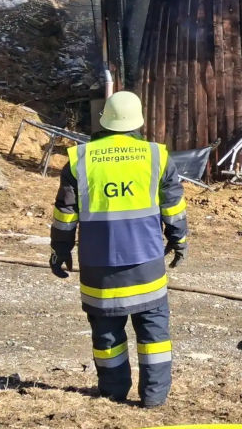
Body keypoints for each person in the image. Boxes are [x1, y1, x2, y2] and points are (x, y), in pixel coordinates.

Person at [49, 91, 188, 407]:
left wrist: (60, 250)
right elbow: (174, 208)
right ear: (138, 122)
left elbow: (65, 215)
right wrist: (179, 241)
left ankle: (112, 393)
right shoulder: (157, 156)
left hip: (99, 267)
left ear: (104, 120)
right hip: (147, 262)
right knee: (153, 335)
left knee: (107, 334)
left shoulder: (80, 160)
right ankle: (154, 397)